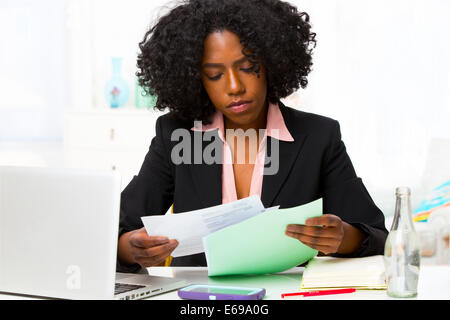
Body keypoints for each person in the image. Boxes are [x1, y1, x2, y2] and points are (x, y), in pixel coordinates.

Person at [117, 0, 388, 272]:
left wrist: (341, 237)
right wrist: (132, 248)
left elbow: (375, 235)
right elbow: (118, 230)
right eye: (214, 75)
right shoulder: (176, 135)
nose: (234, 87)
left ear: (271, 62)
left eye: (247, 67)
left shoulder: (318, 137)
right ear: (196, 79)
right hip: (197, 295)